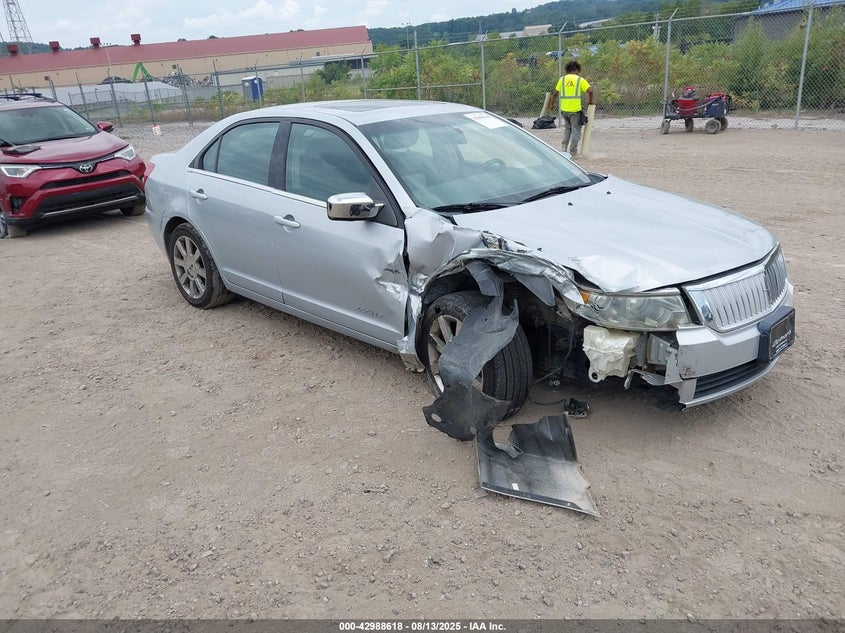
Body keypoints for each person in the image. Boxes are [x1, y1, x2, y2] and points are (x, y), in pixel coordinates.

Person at [550, 60, 594, 156]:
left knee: (567, 130)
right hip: (575, 110)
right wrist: (590, 101)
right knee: (576, 131)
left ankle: (563, 149)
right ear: (577, 69)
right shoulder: (579, 80)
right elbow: (590, 91)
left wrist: (552, 104)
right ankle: (573, 152)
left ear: (568, 69)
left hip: (565, 110)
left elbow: (555, 93)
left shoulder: (562, 79)